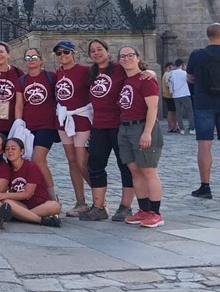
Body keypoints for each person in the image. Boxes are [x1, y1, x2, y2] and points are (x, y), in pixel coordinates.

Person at [80, 39, 137, 222]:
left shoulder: (119, 68)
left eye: (99, 49)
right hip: (99, 125)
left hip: (119, 125)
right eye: (93, 51)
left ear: (107, 51)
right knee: (95, 164)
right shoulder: (92, 73)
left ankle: (125, 206)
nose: (96, 53)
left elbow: (139, 73)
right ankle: (98, 207)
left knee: (125, 165)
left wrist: (150, 72)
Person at [186, 23, 220, 200]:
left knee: (204, 144)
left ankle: (205, 186)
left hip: (204, 102)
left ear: (208, 36)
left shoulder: (197, 55)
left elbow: (190, 77)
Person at [115, 47, 164, 228]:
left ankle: (156, 213)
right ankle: (144, 209)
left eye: (130, 55)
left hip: (142, 126)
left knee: (148, 170)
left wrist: (147, 132)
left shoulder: (146, 79)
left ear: (138, 58)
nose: (126, 59)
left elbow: (153, 107)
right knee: (135, 171)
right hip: (125, 128)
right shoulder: (126, 80)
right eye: (123, 56)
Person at [52, 40, 93, 217]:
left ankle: (99, 199)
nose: (62, 56)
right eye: (59, 53)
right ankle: (80, 202)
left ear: (73, 53)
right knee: (72, 161)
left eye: (66, 52)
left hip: (81, 118)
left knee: (82, 162)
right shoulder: (58, 73)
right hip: (64, 119)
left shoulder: (85, 71)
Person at [0, 138, 62, 228]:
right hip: (22, 205)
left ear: (21, 151)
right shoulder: (7, 169)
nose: (10, 151)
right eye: (7, 149)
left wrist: (4, 195)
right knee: (2, 202)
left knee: (55, 206)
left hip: (39, 205)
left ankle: (20, 216)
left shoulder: (30, 166)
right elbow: (2, 187)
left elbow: (28, 194)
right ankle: (39, 219)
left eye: (13, 148)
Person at [17, 47, 58, 199]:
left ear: (41, 59)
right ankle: (40, 194)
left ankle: (53, 197)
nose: (31, 60)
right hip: (29, 126)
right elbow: (19, 105)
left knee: (38, 160)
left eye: (34, 57)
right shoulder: (22, 80)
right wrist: (19, 124)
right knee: (34, 162)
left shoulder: (51, 77)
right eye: (28, 58)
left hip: (47, 125)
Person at [166, 59, 192, 135]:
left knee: (178, 113)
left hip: (175, 95)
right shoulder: (184, 73)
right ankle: (192, 128)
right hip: (185, 94)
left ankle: (181, 128)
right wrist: (185, 69)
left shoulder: (170, 73)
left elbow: (168, 83)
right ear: (182, 65)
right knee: (189, 111)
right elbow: (190, 80)